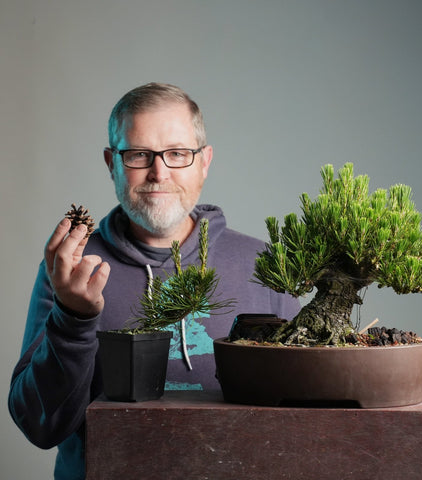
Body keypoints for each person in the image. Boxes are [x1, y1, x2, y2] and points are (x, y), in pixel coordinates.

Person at [8, 83, 300, 480]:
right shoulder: (73, 269)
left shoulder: (266, 266)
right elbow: (40, 426)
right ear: (112, 163)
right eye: (139, 155)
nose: (158, 173)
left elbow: (301, 415)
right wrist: (72, 318)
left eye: (178, 153)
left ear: (204, 161)